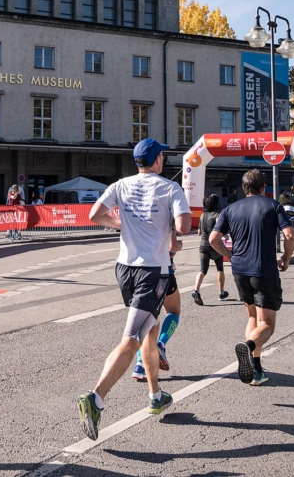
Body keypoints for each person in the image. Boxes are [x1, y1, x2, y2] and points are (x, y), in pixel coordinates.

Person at [77, 138, 191, 439]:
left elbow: (94, 215)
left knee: (149, 332)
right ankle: (95, 398)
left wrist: (123, 224)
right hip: (151, 271)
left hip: (125, 268)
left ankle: (156, 395)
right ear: (158, 160)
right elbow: (184, 227)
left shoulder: (121, 185)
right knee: (131, 339)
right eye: (162, 155)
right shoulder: (170, 188)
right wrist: (169, 221)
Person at [209, 169, 294, 386]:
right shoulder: (273, 205)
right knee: (266, 324)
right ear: (263, 187)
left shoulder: (230, 209)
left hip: (240, 269)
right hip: (263, 269)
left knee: (252, 317)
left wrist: (229, 255)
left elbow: (213, 239)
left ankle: (256, 369)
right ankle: (248, 347)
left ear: (244, 188)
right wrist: (286, 258)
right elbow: (290, 235)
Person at [132, 231, 183, 381]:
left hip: (138, 273)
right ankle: (160, 344)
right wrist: (179, 245)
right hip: (163, 272)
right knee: (173, 311)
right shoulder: (165, 218)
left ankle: (140, 365)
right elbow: (172, 246)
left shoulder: (134, 219)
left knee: (143, 320)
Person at [190, 194, 227, 306]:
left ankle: (196, 290)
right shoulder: (217, 215)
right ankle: (221, 293)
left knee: (202, 270)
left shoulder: (202, 215)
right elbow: (219, 230)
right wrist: (225, 235)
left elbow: (199, 232)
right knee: (220, 268)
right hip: (215, 246)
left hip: (203, 245)